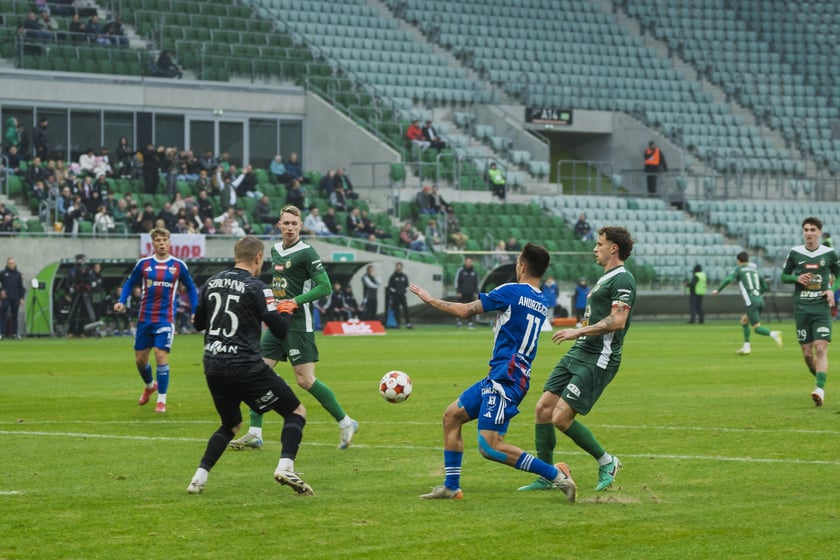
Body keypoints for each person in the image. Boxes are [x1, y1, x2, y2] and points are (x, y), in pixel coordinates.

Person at [409, 243, 577, 502]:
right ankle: (451, 487)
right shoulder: (541, 300)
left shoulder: (510, 291)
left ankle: (555, 473)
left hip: (505, 379)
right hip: (505, 376)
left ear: (521, 265)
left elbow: (466, 311)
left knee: (489, 446)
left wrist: (430, 300)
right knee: (451, 416)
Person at [187, 236, 313, 496]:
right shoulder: (257, 287)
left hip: (213, 364)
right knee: (296, 412)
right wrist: (287, 310)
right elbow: (278, 329)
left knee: (230, 424)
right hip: (245, 366)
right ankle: (286, 466)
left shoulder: (211, 283)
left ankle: (198, 478)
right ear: (258, 258)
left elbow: (198, 323)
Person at [229, 205, 359, 450]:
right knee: (255, 373)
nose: (289, 228)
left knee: (306, 380)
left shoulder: (307, 253)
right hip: (277, 322)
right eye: (285, 223)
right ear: (279, 225)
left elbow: (325, 287)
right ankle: (255, 433)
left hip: (298, 324)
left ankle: (345, 422)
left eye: (294, 224)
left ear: (300, 226)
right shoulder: (276, 250)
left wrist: (295, 301)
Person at [518, 226, 635, 494]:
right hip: (579, 351)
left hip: (599, 357)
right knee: (543, 409)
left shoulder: (623, 280)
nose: (595, 248)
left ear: (613, 248)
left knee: (560, 417)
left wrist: (578, 330)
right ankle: (548, 476)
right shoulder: (606, 278)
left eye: (599, 243)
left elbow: (618, 321)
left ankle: (607, 461)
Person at [113, 228, 198, 413]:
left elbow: (191, 288)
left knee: (160, 355)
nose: (161, 243)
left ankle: (162, 400)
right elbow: (129, 283)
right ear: (153, 243)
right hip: (145, 318)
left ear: (169, 242)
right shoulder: (144, 264)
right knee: (140, 360)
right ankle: (151, 385)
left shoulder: (178, 266)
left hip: (165, 319)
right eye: (158, 240)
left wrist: (195, 309)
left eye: (164, 240)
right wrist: (121, 301)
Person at [781, 216, 840, 407]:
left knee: (821, 348)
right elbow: (784, 276)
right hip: (802, 308)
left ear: (820, 233)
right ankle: (820, 380)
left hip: (821, 308)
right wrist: (796, 278)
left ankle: (820, 389)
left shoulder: (829, 253)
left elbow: (839, 275)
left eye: (812, 230)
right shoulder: (795, 253)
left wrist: (831, 289)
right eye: (806, 230)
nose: (808, 233)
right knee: (807, 354)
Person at [712, 252, 782, 355]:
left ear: (738, 261)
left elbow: (728, 279)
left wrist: (718, 290)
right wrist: (758, 295)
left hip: (751, 302)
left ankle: (774, 334)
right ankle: (746, 348)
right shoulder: (755, 271)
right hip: (759, 300)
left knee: (757, 328)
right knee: (744, 321)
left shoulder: (739, 269)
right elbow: (765, 287)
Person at [0, 257, 25, 340]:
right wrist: (1, 291)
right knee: (3, 315)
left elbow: (20, 287)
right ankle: (1, 333)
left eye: (13, 263)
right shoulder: (2, 273)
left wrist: (21, 298)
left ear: (15, 263)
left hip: (15, 297)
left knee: (15, 316)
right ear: (7, 264)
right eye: (10, 263)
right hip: (6, 297)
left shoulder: (18, 274)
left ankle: (15, 334)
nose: (11, 265)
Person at [454, 257, 479, 329]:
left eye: (470, 262)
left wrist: (476, 292)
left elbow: (476, 283)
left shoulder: (474, 272)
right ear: (465, 262)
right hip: (462, 293)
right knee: (460, 307)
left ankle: (470, 323)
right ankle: (459, 322)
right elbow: (457, 282)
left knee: (471, 309)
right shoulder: (461, 271)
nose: (468, 263)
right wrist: (458, 291)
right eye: (467, 262)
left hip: (471, 293)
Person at [387, 262, 413, 329]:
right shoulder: (392, 276)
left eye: (399, 266)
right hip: (396, 296)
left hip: (403, 296)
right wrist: (396, 292)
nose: (398, 267)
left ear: (401, 267)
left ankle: (408, 324)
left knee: (406, 310)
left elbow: (407, 286)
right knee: (397, 310)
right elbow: (390, 287)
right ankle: (398, 324)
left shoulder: (404, 276)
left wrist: (405, 292)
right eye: (397, 266)